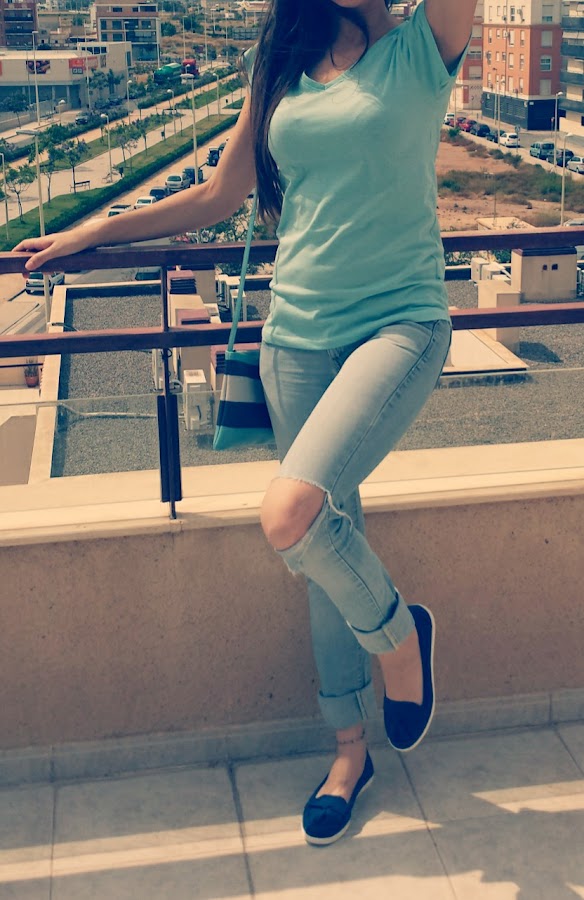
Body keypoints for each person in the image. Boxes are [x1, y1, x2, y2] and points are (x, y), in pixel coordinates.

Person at [14, 0, 477, 847]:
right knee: (327, 539)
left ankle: (402, 638)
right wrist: (97, 231)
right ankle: (349, 753)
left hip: (399, 322)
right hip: (293, 334)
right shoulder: (284, 58)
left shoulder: (425, 45)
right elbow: (221, 193)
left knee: (290, 513)